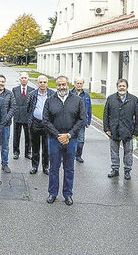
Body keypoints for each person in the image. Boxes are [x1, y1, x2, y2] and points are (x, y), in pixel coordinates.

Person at [43, 76, 85, 206]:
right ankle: (53, 193)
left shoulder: (77, 100)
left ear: (68, 84)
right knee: (54, 168)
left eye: (64, 84)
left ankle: (68, 194)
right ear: (56, 86)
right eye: (59, 85)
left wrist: (69, 134)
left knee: (69, 168)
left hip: (71, 140)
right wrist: (57, 135)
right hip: (54, 139)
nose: (62, 87)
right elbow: (46, 120)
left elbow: (82, 119)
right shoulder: (50, 100)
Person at [103, 78, 138, 180]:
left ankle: (127, 171)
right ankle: (115, 170)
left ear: (127, 87)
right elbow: (106, 114)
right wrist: (106, 128)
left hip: (128, 131)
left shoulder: (133, 99)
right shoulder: (111, 98)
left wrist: (136, 131)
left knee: (128, 153)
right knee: (114, 152)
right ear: (117, 87)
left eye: (123, 86)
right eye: (120, 86)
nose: (122, 88)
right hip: (114, 130)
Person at [27, 75, 55, 175]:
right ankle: (34, 166)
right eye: (40, 82)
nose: (42, 84)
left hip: (47, 124)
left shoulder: (52, 94)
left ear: (47, 83)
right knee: (35, 147)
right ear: (38, 83)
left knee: (46, 147)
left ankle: (46, 167)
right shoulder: (32, 94)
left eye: (44, 82)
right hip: (35, 123)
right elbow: (28, 108)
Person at [12, 72, 34, 159]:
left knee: (28, 136)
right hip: (17, 116)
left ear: (28, 79)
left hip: (27, 116)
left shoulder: (32, 90)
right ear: (20, 79)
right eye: (22, 78)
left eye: (25, 78)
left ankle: (28, 152)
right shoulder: (15, 89)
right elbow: (13, 102)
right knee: (16, 135)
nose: (24, 79)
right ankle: (16, 152)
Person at [70, 77, 92, 163]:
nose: (79, 85)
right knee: (70, 139)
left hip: (82, 121)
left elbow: (89, 108)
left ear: (83, 84)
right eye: (77, 83)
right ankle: (68, 155)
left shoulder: (86, 95)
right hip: (71, 121)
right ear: (74, 84)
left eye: (81, 83)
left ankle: (78, 156)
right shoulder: (70, 93)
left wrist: (88, 121)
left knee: (81, 140)